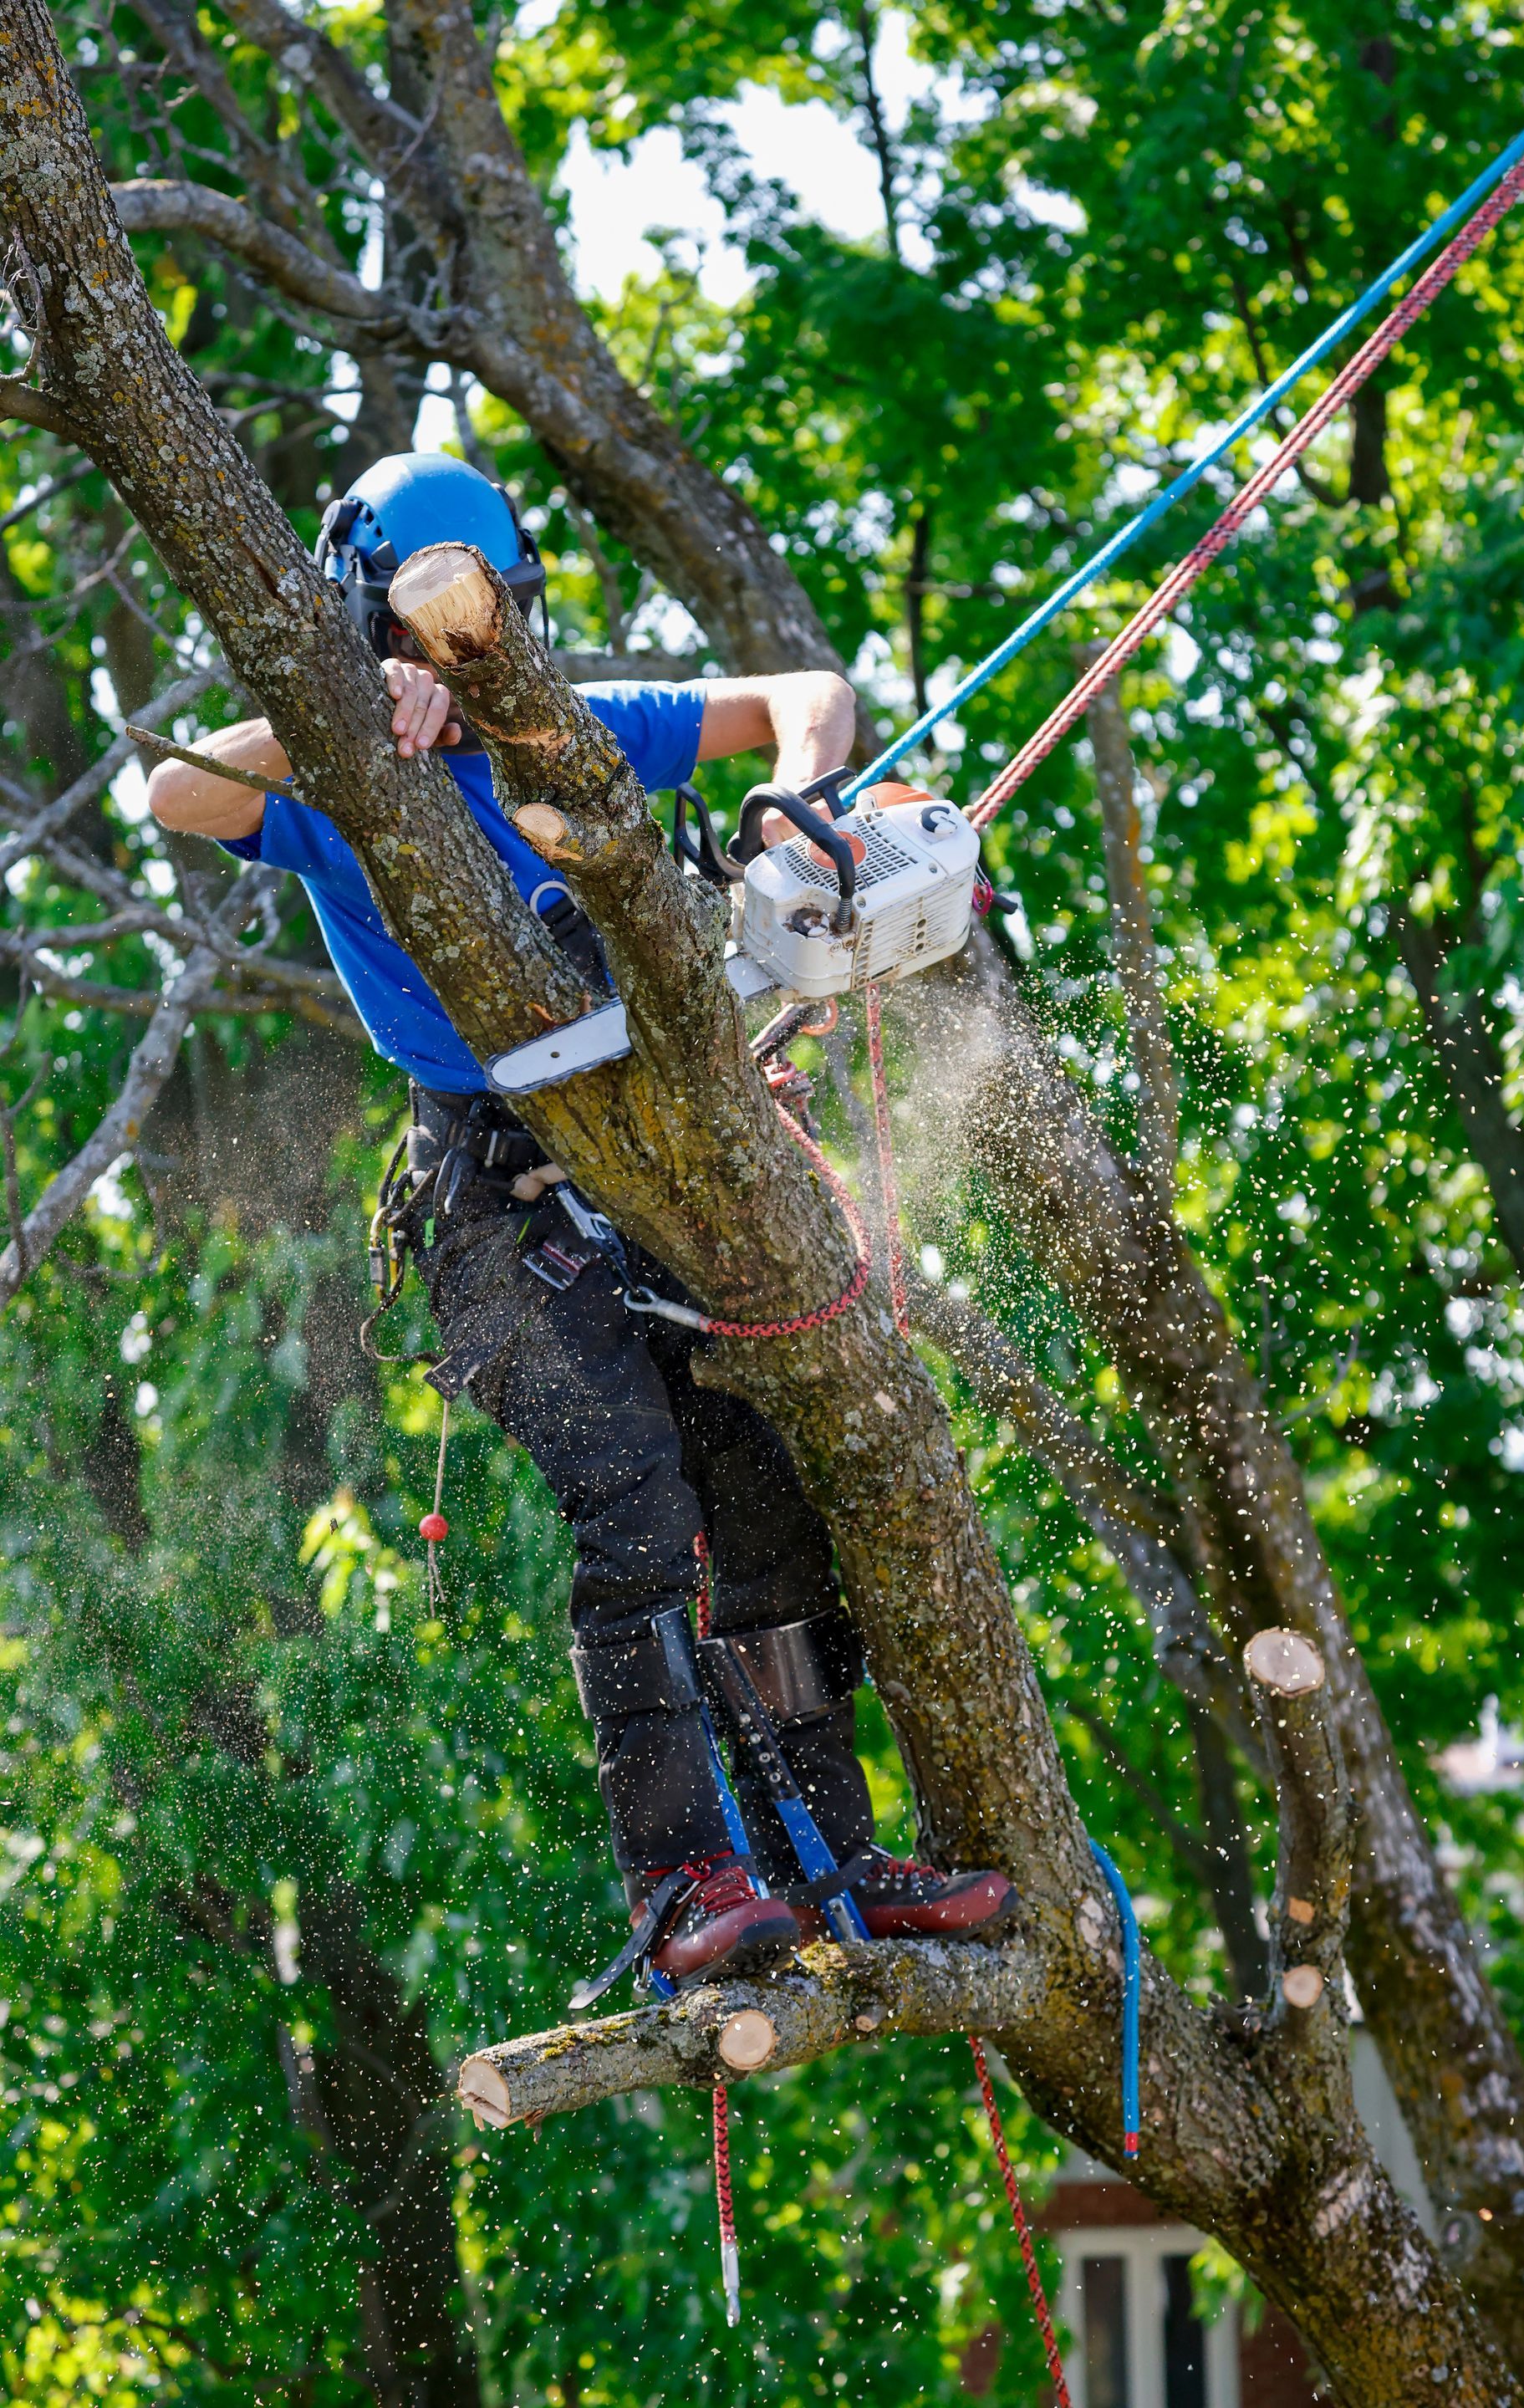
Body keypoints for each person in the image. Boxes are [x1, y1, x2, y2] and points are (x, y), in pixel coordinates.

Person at [148, 452, 1014, 1997]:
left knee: (763, 1500)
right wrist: (348, 728)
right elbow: (171, 789)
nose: (451, 677)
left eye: (476, 640)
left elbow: (804, 687)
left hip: (656, 1172)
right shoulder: (336, 789)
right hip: (493, 1209)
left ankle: (831, 1857)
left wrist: (797, 816)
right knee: (636, 1506)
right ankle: (682, 1879)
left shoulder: (581, 734)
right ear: (374, 633)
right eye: (421, 646)